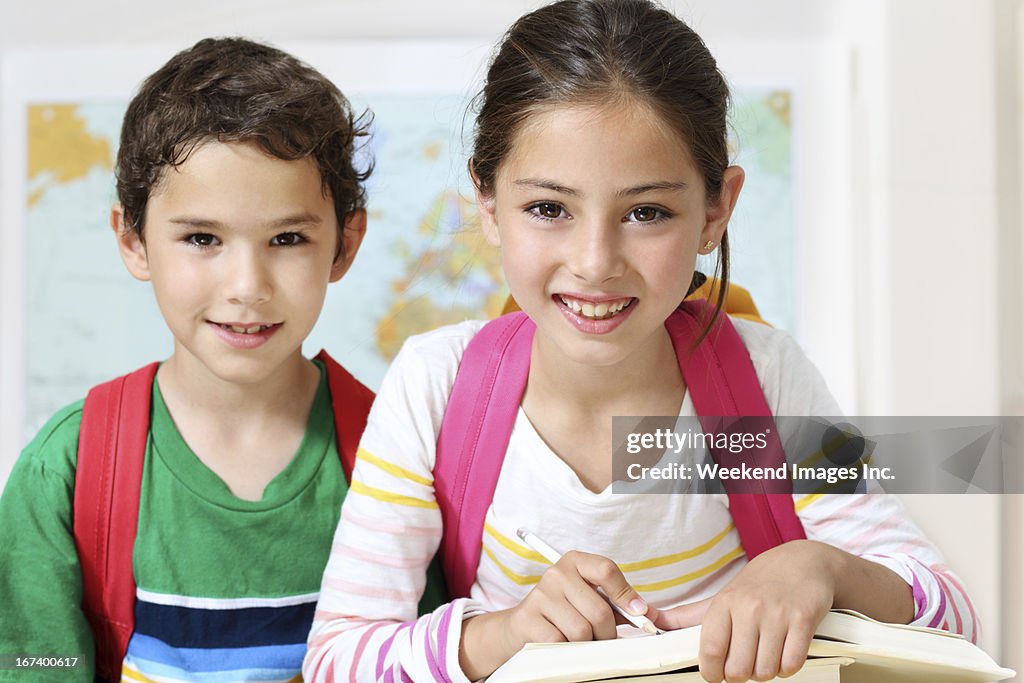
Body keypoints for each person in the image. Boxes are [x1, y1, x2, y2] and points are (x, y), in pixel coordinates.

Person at [303, 1, 977, 681]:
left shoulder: (766, 382)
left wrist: (821, 566)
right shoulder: (435, 388)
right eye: (549, 208)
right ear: (487, 200)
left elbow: (952, 615)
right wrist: (502, 634)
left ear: (716, 210)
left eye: (646, 212)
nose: (596, 261)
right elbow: (336, 660)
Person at [0, 38, 372, 682]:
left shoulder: (398, 451)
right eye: (202, 238)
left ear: (345, 244)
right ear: (133, 240)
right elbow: (37, 661)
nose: (247, 285)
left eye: (288, 238)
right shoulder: (64, 467)